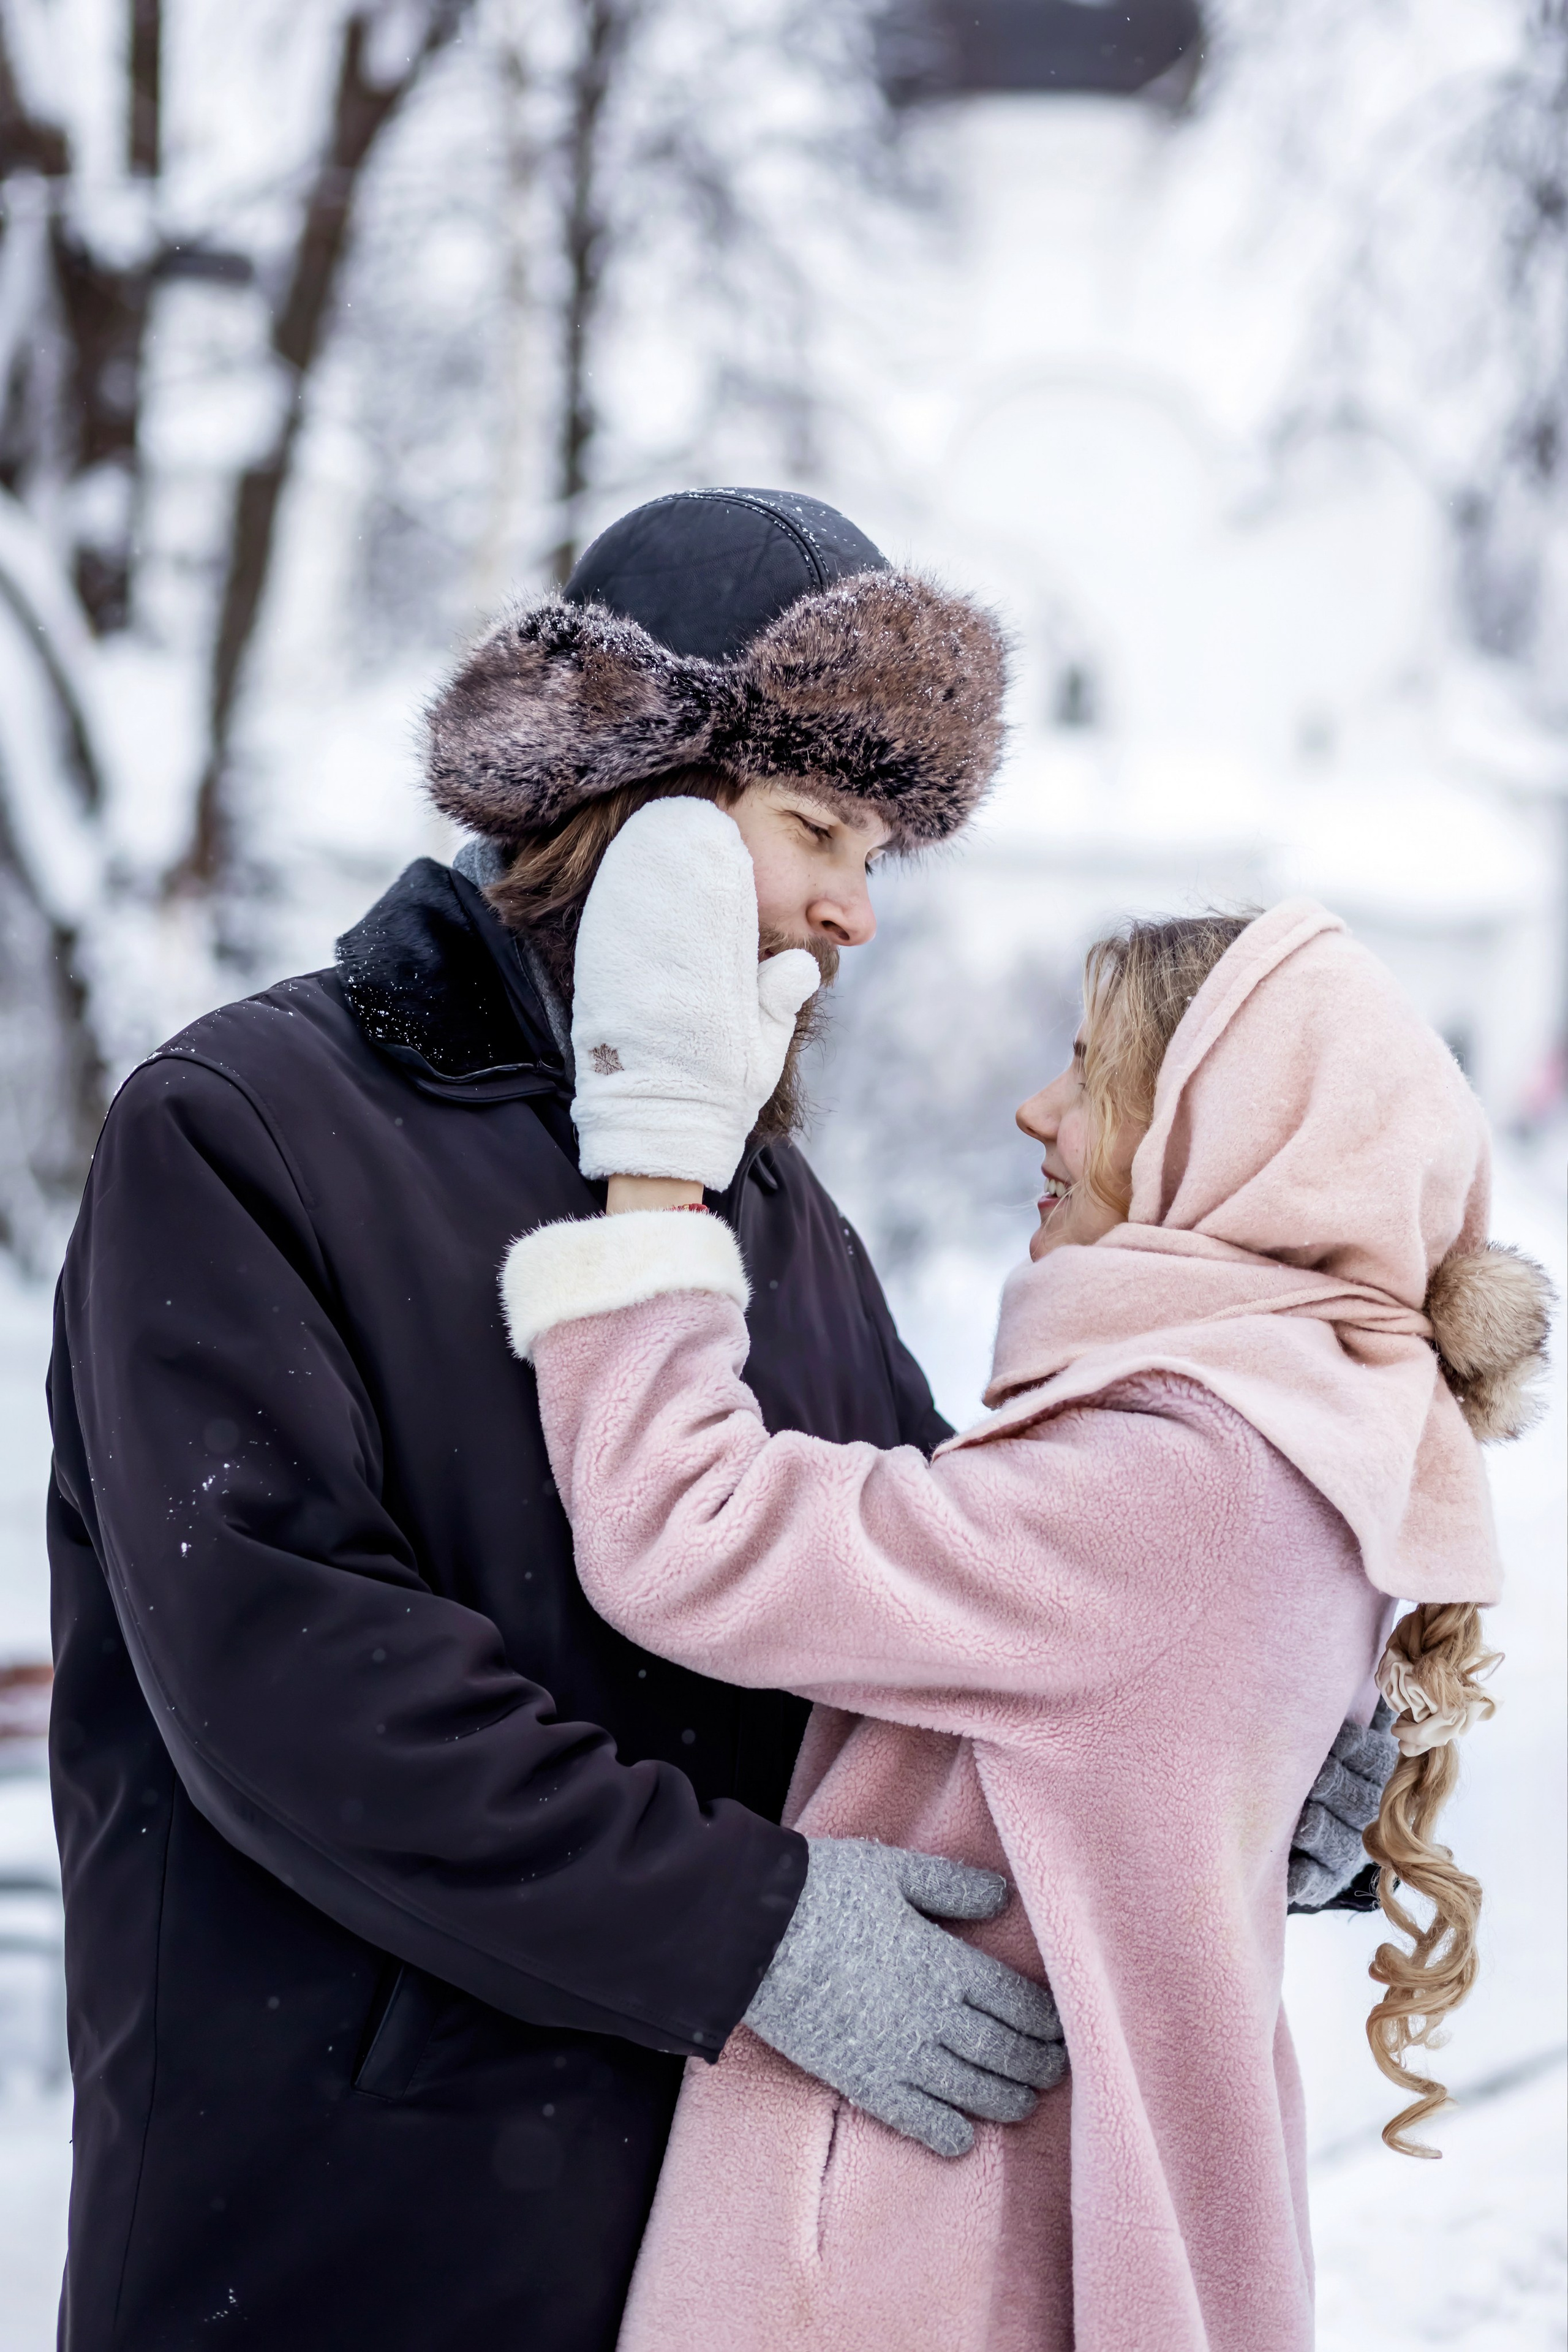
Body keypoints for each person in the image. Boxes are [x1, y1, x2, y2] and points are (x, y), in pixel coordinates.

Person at [47, 488, 1385, 2351]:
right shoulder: (249, 1126)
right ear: (625, 802)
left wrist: (1226, 1738)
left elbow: (934, 1615)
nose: (852, 906)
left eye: (885, 853)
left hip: (681, 2232)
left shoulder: (765, 1209)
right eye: (818, 827)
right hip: (346, 2217)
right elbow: (294, 1685)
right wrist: (745, 1928)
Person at [503, 813, 1554, 2352]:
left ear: (1221, 1131)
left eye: (1087, 1069)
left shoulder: (1174, 1481)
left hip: (910, 2262)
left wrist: (653, 1186)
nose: (1032, 1109)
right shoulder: (1308, 1448)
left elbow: (689, 1532)